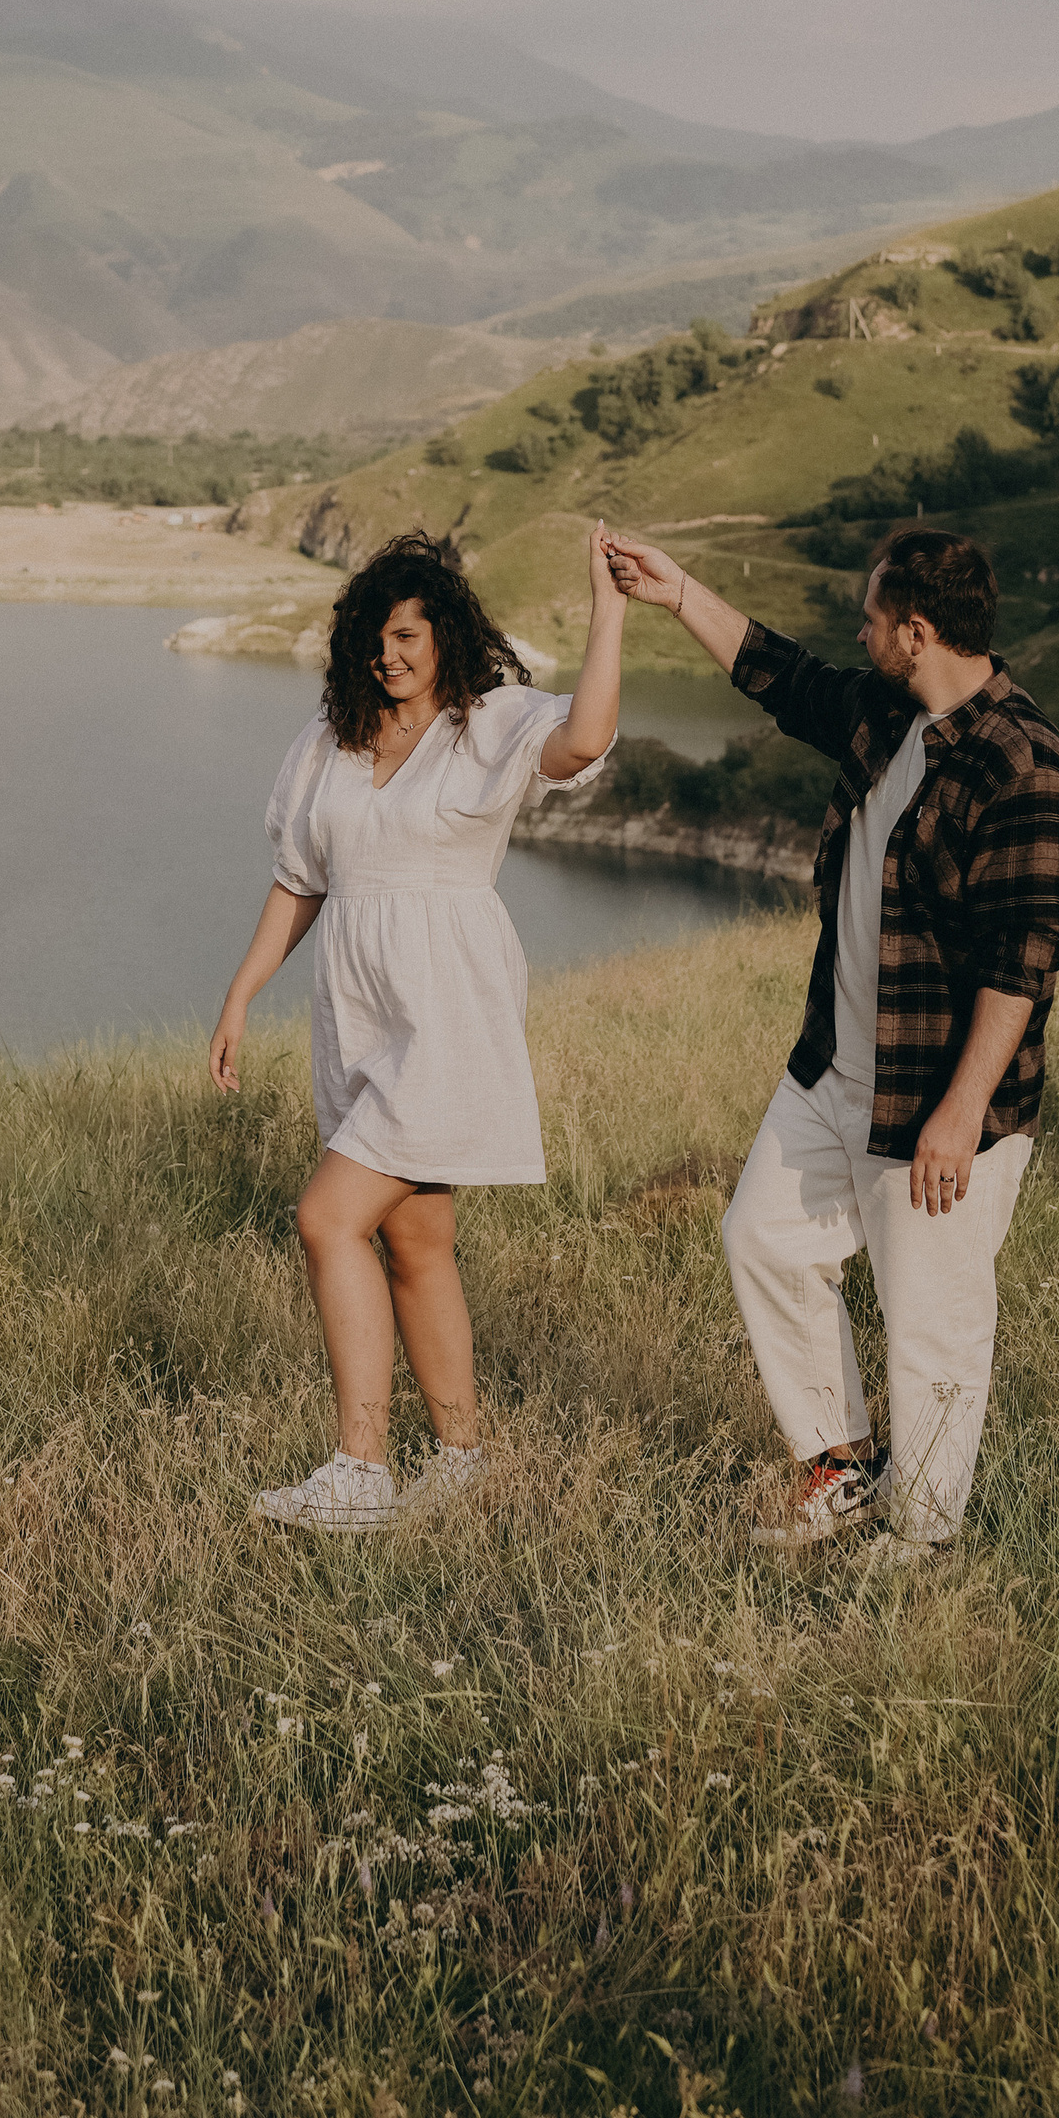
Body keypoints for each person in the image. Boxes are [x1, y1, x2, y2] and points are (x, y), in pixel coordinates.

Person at [604, 524, 1059, 1555]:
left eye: (871, 618)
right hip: (834, 1069)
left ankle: (923, 1541)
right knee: (761, 1238)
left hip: (935, 1101)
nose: (857, 632)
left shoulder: (1026, 765)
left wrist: (958, 1116)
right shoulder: (892, 711)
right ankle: (843, 1464)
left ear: (917, 629)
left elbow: (1021, 962)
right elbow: (784, 675)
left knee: (931, 1325)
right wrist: (675, 590)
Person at [208, 525, 623, 1532]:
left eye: (408, 632)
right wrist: (241, 992)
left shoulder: (491, 725)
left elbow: (587, 737)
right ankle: (463, 1457)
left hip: (446, 1008)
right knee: (417, 1236)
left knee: (326, 1217)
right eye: (373, 634)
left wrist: (610, 609)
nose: (389, 652)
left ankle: (360, 1467)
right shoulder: (331, 741)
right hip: (354, 1012)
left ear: (446, 635)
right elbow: (300, 880)